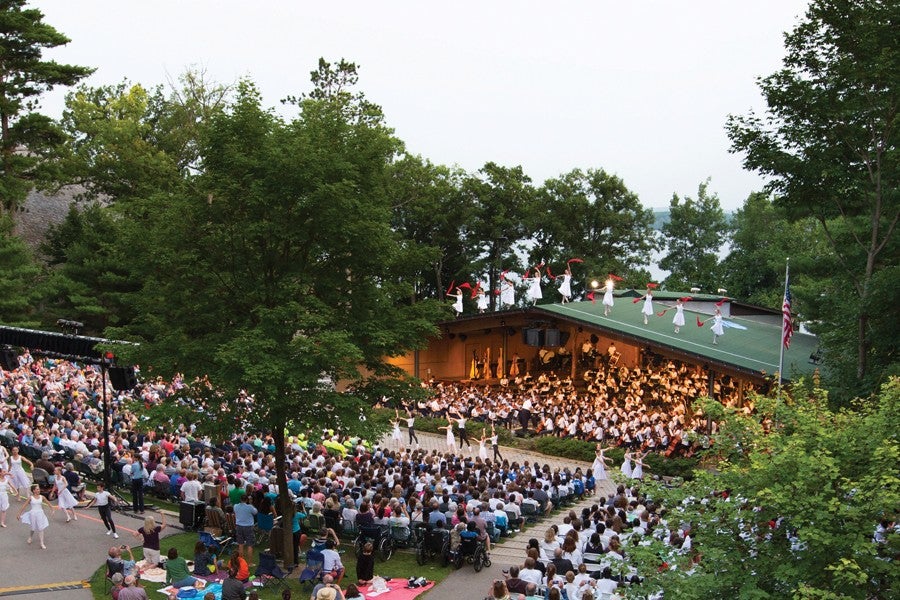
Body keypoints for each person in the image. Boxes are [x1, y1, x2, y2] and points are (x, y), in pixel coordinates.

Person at [17, 484, 52, 549]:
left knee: (41, 528)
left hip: (40, 514)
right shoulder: (31, 498)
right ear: (34, 490)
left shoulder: (42, 497)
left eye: (38, 489)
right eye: (37, 489)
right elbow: (24, 506)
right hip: (33, 514)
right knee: (33, 528)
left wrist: (52, 510)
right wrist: (19, 513)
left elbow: (48, 503)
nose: (39, 490)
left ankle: (42, 543)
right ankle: (30, 537)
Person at [233, 493, 258, 563]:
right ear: (247, 500)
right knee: (249, 544)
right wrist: (250, 504)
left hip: (239, 526)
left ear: (240, 499)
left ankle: (241, 561)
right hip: (248, 526)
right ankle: (250, 562)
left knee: (240, 544)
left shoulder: (235, 506)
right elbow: (255, 512)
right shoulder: (250, 507)